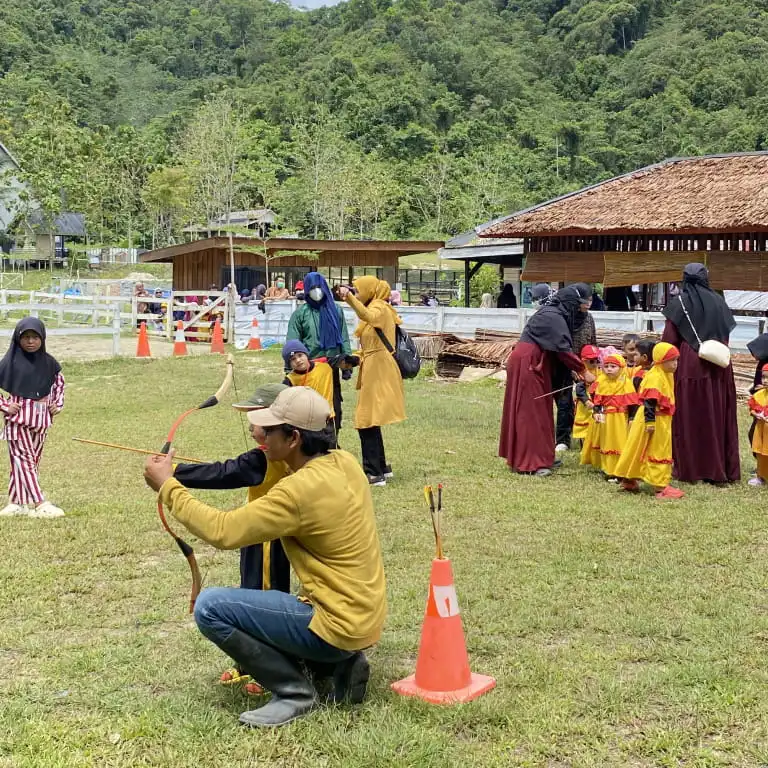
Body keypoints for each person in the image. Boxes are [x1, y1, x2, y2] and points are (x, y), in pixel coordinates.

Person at [143, 387, 386, 727]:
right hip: (363, 619)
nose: (258, 435)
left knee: (210, 606)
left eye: (268, 430)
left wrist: (168, 486)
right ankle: (337, 663)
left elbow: (222, 531)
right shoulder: (344, 463)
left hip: (336, 624)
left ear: (294, 438)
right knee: (273, 604)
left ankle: (294, 691)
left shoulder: (298, 491)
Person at [173, 383, 292, 695]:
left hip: (271, 539)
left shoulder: (267, 457)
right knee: (249, 593)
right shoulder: (269, 453)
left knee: (266, 600)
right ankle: (249, 662)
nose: (252, 428)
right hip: (254, 534)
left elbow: (223, 473)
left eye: (257, 421)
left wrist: (173, 472)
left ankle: (272, 669)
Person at [499, 283, 592, 476]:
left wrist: (571, 371)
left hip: (536, 362)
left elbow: (558, 351)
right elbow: (562, 350)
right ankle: (530, 463)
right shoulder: (552, 316)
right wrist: (583, 370)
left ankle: (542, 457)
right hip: (529, 363)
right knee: (530, 414)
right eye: (579, 306)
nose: (580, 310)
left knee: (541, 413)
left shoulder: (555, 313)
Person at [661, 263, 739, 484]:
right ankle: (719, 468)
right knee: (716, 413)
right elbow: (726, 336)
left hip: (690, 364)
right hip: (718, 363)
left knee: (690, 415)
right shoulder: (719, 302)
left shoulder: (680, 304)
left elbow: (669, 341)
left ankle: (692, 468)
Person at [338, 277, 405, 486]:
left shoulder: (380, 308)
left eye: (358, 290)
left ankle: (374, 473)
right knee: (371, 419)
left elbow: (366, 315)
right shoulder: (373, 308)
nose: (356, 293)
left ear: (369, 290)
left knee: (365, 419)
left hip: (380, 369)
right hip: (372, 366)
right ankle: (381, 468)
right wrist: (352, 361)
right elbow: (367, 345)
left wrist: (348, 297)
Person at [0, 318, 65, 518]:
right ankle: (39, 503)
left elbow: (59, 385)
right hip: (18, 421)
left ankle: (17, 502)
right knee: (24, 460)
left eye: (35, 337)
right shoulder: (8, 363)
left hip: (41, 421)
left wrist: (57, 404)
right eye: (26, 337)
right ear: (18, 339)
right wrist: (5, 406)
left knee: (30, 462)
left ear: (42, 338)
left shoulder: (49, 363)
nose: (30, 341)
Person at [286, 272, 352, 434]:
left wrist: (348, 363)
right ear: (307, 290)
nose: (317, 291)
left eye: (319, 287)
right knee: (310, 409)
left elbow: (343, 336)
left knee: (333, 407)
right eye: (313, 288)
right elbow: (292, 343)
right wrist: (289, 369)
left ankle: (332, 442)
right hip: (310, 369)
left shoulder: (335, 310)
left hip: (331, 367)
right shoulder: (301, 314)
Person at [615, 343, 684, 499]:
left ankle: (629, 479)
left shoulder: (666, 375)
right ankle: (660, 487)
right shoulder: (655, 376)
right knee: (658, 449)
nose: (675, 364)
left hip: (657, 419)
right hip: (652, 419)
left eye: (676, 360)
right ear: (660, 360)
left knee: (638, 448)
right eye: (671, 360)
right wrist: (650, 422)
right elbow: (650, 402)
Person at [580, 353, 637, 478]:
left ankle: (620, 468)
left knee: (619, 441)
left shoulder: (626, 383)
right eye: (606, 366)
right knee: (606, 441)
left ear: (621, 368)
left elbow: (633, 404)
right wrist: (597, 412)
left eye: (613, 366)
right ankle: (607, 468)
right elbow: (597, 400)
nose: (609, 369)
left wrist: (632, 418)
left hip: (620, 418)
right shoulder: (601, 382)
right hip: (605, 417)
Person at [556, 289, 597, 452]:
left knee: (589, 399)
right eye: (585, 301)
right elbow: (562, 344)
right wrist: (573, 367)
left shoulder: (589, 318)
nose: (588, 304)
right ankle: (562, 439)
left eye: (590, 300)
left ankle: (589, 434)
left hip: (587, 365)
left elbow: (593, 340)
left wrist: (592, 364)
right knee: (564, 402)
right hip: (567, 363)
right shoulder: (566, 318)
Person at [281, 341, 337, 441]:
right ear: (289, 364)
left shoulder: (325, 366)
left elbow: (344, 360)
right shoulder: (290, 380)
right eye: (293, 359)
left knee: (330, 451)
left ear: (306, 355)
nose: (298, 360)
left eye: (300, 355)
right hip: (306, 423)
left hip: (327, 419)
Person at [572, 345, 600, 444]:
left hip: (596, 401)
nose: (595, 363)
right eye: (592, 361)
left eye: (597, 360)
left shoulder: (599, 372)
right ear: (583, 361)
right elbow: (579, 389)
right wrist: (586, 400)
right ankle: (583, 445)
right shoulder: (582, 373)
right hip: (585, 405)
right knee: (583, 426)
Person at [748, 365, 768, 487]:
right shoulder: (758, 395)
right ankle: (761, 476)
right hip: (760, 430)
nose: (765, 380)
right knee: (761, 454)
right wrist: (757, 415)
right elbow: (752, 409)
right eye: (764, 377)